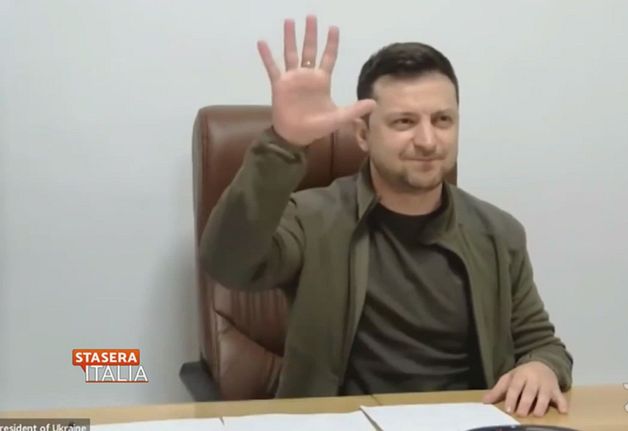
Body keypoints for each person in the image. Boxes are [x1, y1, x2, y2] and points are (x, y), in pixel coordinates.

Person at [200, 15, 573, 418]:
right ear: (363, 134)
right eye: (404, 122)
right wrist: (283, 145)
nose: (428, 141)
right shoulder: (312, 219)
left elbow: (542, 344)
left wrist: (542, 367)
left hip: (469, 421)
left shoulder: (498, 233)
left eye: (442, 120)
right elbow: (227, 265)